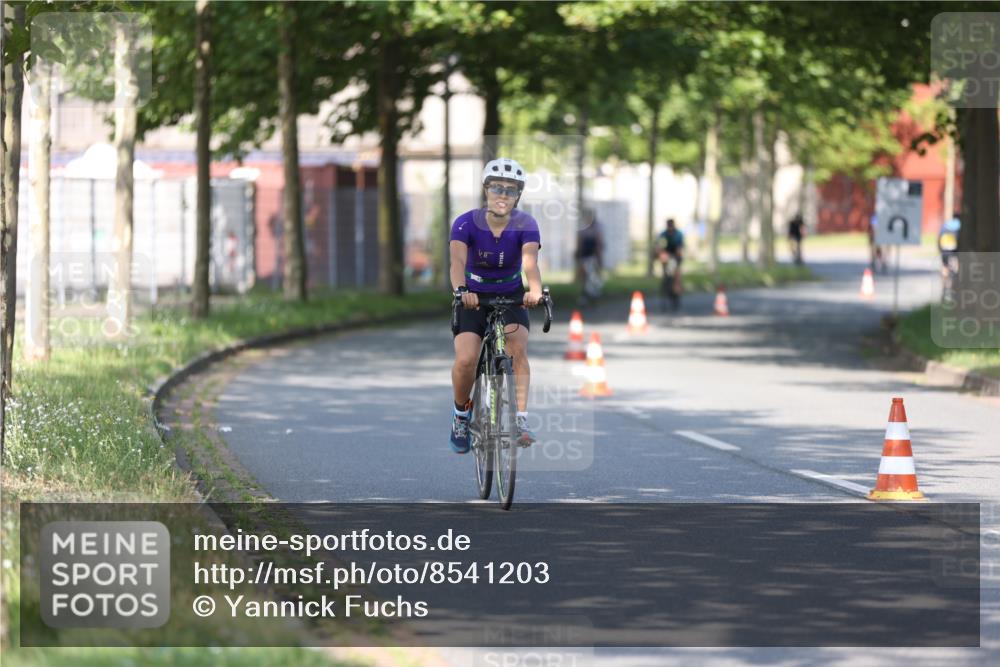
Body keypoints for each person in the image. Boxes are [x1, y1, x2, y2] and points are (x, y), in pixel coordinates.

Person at [449, 157, 543, 454]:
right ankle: (461, 416)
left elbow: (530, 262)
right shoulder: (465, 222)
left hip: (510, 296)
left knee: (517, 347)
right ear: (486, 190)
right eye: (496, 188)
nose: (503, 194)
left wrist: (535, 290)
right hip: (473, 298)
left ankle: (521, 420)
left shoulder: (526, 224)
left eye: (510, 190)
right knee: (466, 360)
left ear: (518, 195)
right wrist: (462, 290)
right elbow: (457, 262)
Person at [576, 208, 604, 305]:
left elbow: (598, 244)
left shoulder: (596, 228)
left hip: (593, 257)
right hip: (585, 256)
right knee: (585, 277)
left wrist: (599, 258)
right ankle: (586, 295)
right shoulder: (583, 228)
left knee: (593, 277)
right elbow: (580, 243)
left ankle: (593, 296)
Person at [654, 218, 685, 310]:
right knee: (666, 274)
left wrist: (677, 256)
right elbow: (659, 247)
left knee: (676, 275)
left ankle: (676, 291)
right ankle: (666, 288)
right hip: (667, 257)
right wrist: (661, 254)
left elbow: (679, 248)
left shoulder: (678, 234)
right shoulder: (663, 235)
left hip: (675, 257)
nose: (670, 229)